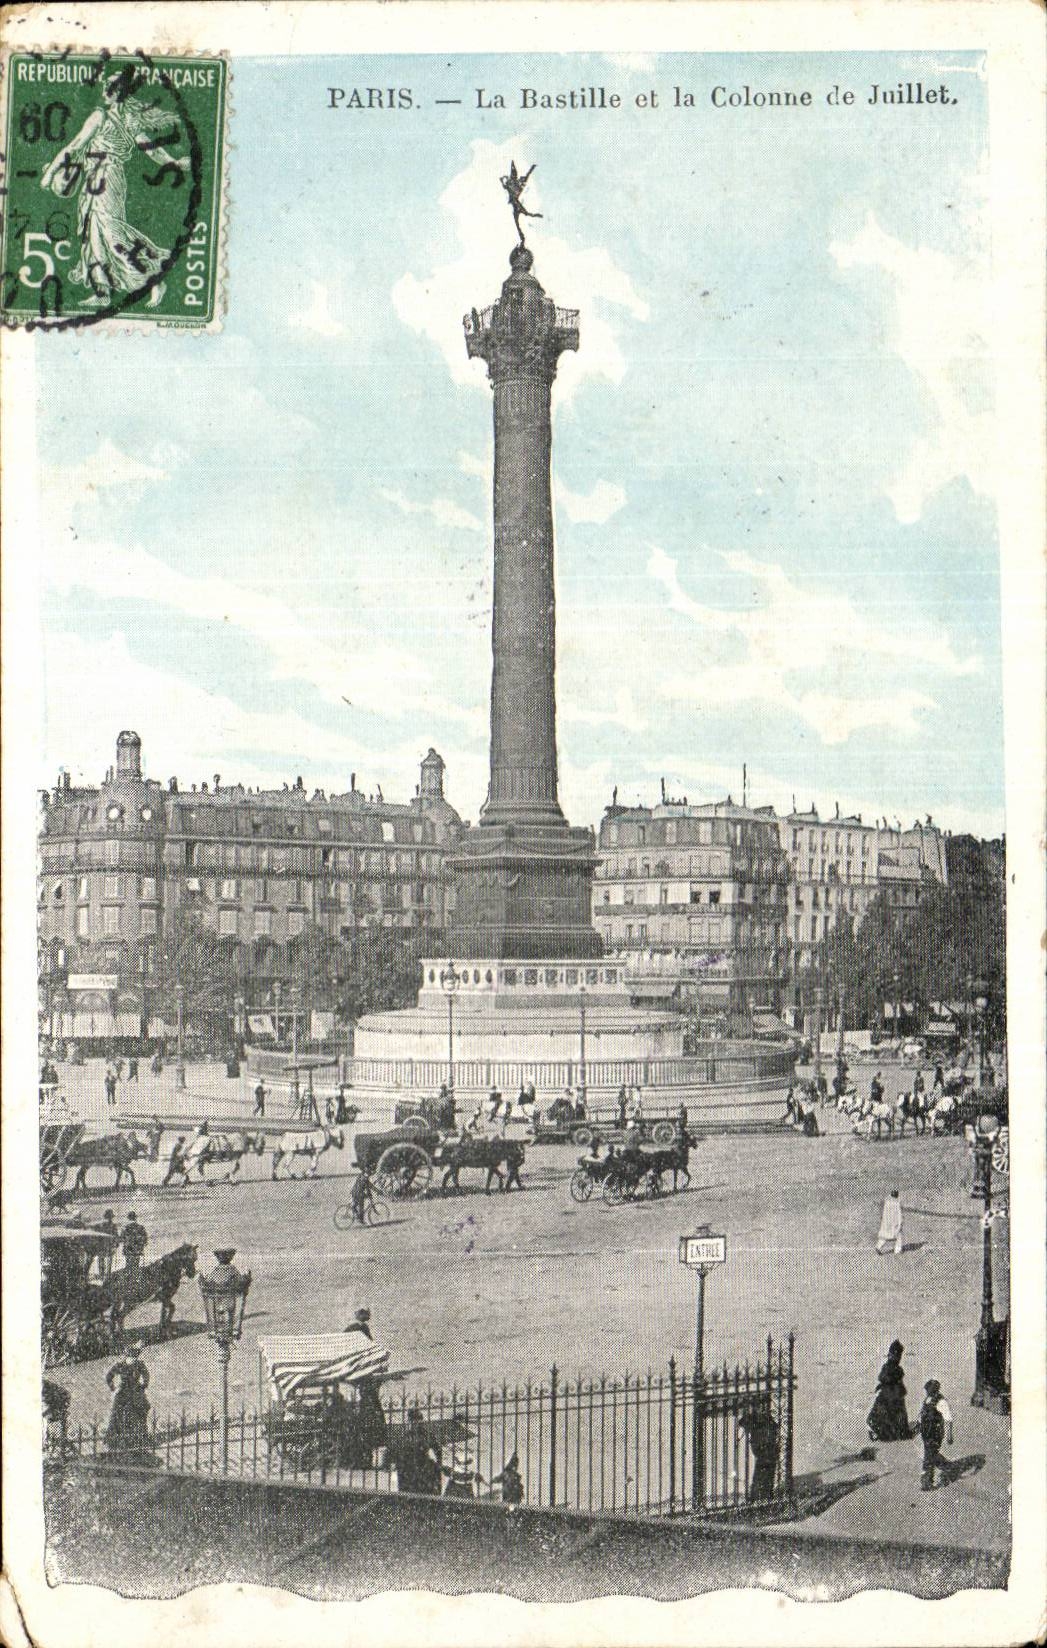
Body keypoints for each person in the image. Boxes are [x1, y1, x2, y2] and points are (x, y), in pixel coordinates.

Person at [104, 1341, 152, 1455]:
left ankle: (137, 1440)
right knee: (119, 1416)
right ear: (127, 1356)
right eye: (131, 1357)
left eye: (135, 1357)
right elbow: (108, 1377)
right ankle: (118, 1442)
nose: (133, 1359)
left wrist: (143, 1386)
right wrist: (113, 1389)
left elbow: (146, 1376)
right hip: (123, 1393)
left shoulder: (140, 1364)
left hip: (135, 1392)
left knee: (140, 1413)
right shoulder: (120, 1365)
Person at [866, 1340, 911, 1440]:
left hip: (891, 1393)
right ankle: (892, 1432)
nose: (898, 1357)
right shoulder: (891, 1367)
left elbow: (883, 1378)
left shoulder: (892, 1367)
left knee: (890, 1413)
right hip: (891, 1394)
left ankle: (888, 1431)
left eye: (899, 1355)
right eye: (897, 1355)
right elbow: (883, 1377)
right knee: (893, 1413)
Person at [392, 1407, 442, 1496]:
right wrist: (438, 1463)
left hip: (410, 1469)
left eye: (418, 1421)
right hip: (417, 1468)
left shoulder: (406, 1435)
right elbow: (437, 1450)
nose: (416, 1423)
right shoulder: (425, 1434)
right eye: (415, 1421)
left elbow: (396, 1451)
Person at [917, 1379, 954, 1490]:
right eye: (927, 1390)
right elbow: (922, 1414)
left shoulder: (941, 1402)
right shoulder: (927, 1399)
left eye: (929, 1390)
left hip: (935, 1434)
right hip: (926, 1432)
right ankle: (946, 1465)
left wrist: (949, 1435)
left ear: (935, 1390)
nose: (927, 1392)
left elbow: (948, 1419)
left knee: (928, 1456)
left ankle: (927, 1483)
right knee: (931, 1453)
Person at [738, 1402, 779, 1501]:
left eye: (762, 1406)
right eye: (759, 1407)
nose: (762, 1408)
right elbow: (744, 1423)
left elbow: (774, 1427)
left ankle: (764, 1496)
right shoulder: (752, 1418)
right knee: (762, 1471)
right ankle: (758, 1497)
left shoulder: (765, 1418)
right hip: (762, 1447)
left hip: (768, 1447)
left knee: (766, 1472)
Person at [875, 1190, 904, 1256]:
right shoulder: (897, 1203)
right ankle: (897, 1250)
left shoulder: (887, 1202)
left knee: (885, 1236)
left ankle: (878, 1246)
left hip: (886, 1222)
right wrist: (900, 1222)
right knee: (899, 1235)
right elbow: (899, 1214)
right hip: (894, 1222)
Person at [120, 1210, 147, 1276]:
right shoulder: (141, 1227)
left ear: (128, 1218)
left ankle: (129, 1279)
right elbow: (145, 1240)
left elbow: (121, 1239)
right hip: (137, 1249)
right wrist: (142, 1246)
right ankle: (135, 1278)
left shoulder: (125, 1227)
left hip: (128, 1249)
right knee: (136, 1265)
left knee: (128, 1265)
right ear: (135, 1218)